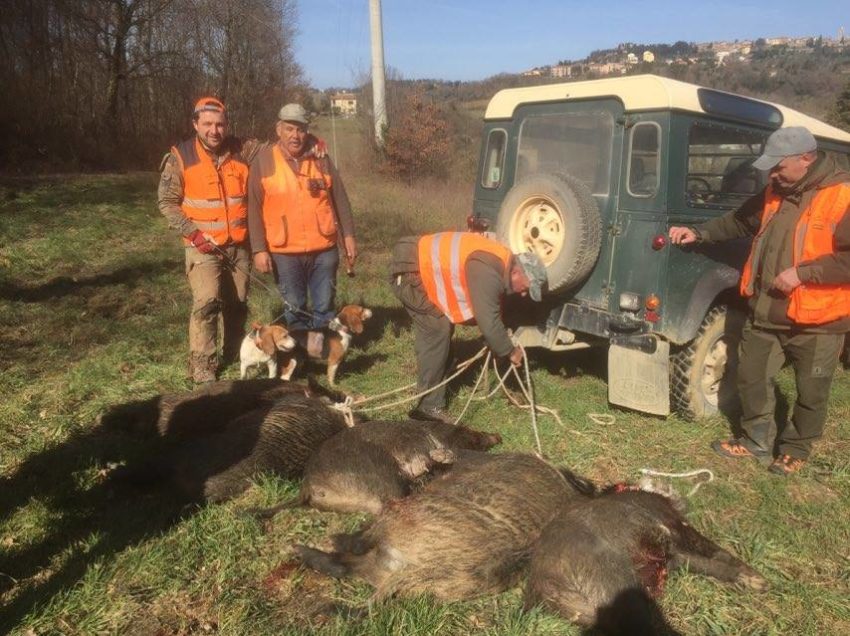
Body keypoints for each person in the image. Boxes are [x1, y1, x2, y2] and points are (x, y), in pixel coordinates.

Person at [669, 126, 850, 476]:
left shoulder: (842, 197)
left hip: (818, 321)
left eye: (779, 166)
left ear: (806, 159)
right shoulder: (774, 191)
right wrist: (700, 233)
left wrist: (803, 273)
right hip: (767, 310)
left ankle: (796, 449)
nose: (772, 174)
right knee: (751, 377)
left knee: (811, 390)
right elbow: (739, 221)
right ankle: (755, 440)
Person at [391, 231, 548, 424]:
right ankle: (428, 408)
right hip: (410, 269)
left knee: (442, 328)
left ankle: (439, 377)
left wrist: (497, 338)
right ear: (516, 273)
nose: (524, 294)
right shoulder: (488, 271)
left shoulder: (500, 264)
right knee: (437, 330)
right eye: (525, 288)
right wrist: (509, 350)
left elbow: (490, 309)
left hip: (418, 264)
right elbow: (487, 321)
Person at [158, 97, 250, 384]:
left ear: (227, 126)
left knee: (238, 302)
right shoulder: (180, 156)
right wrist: (195, 234)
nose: (214, 130)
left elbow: (277, 151)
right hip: (203, 246)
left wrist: (312, 145)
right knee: (208, 302)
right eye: (208, 124)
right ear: (195, 124)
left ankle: (234, 352)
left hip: (238, 245)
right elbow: (167, 203)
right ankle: (203, 365)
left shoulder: (241, 151)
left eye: (220, 124)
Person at [248, 103, 355, 332]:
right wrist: (258, 249)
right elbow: (253, 208)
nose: (295, 136)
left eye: (300, 129)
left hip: (324, 249)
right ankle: (301, 359)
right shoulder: (263, 161)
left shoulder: (321, 157)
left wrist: (349, 235)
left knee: (325, 305)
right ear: (278, 129)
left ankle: (323, 356)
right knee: (294, 307)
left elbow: (340, 199)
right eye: (289, 129)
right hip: (284, 253)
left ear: (307, 131)